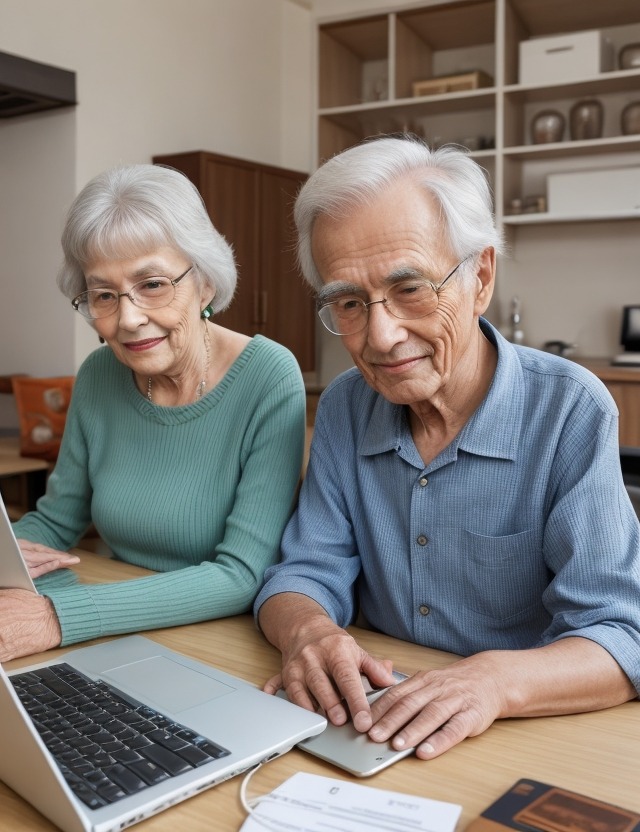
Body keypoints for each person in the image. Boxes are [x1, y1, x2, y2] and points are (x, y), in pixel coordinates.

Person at [254, 135, 640, 760]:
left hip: (526, 732)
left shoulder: (570, 408)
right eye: (349, 303)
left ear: (480, 276)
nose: (381, 335)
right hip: (371, 722)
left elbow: (622, 635)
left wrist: (492, 680)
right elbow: (304, 571)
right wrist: (308, 633)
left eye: (411, 289)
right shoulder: (349, 406)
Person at [2, 163, 306, 662]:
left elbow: (241, 575)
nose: (128, 318)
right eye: (103, 294)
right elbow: (56, 523)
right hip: (117, 632)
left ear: (204, 284)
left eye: (153, 285)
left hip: (219, 644)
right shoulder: (100, 374)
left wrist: (60, 618)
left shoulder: (269, 376)